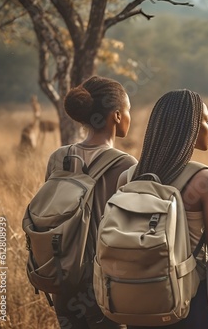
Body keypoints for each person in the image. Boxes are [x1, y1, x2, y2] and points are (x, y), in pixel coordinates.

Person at [120, 89, 208, 329]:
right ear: (190, 128)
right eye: (206, 121)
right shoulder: (207, 181)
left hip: (138, 303)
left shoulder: (128, 178)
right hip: (189, 306)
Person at [45, 75, 137, 329]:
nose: (130, 116)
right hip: (105, 286)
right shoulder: (126, 165)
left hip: (62, 281)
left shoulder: (59, 158)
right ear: (117, 116)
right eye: (128, 110)